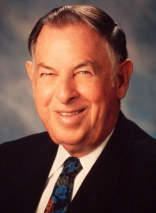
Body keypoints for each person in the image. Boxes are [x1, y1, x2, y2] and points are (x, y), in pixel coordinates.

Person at [0, 5, 156, 213]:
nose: (65, 95)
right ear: (33, 79)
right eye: (48, 74)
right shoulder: (6, 160)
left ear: (120, 79)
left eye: (83, 72)